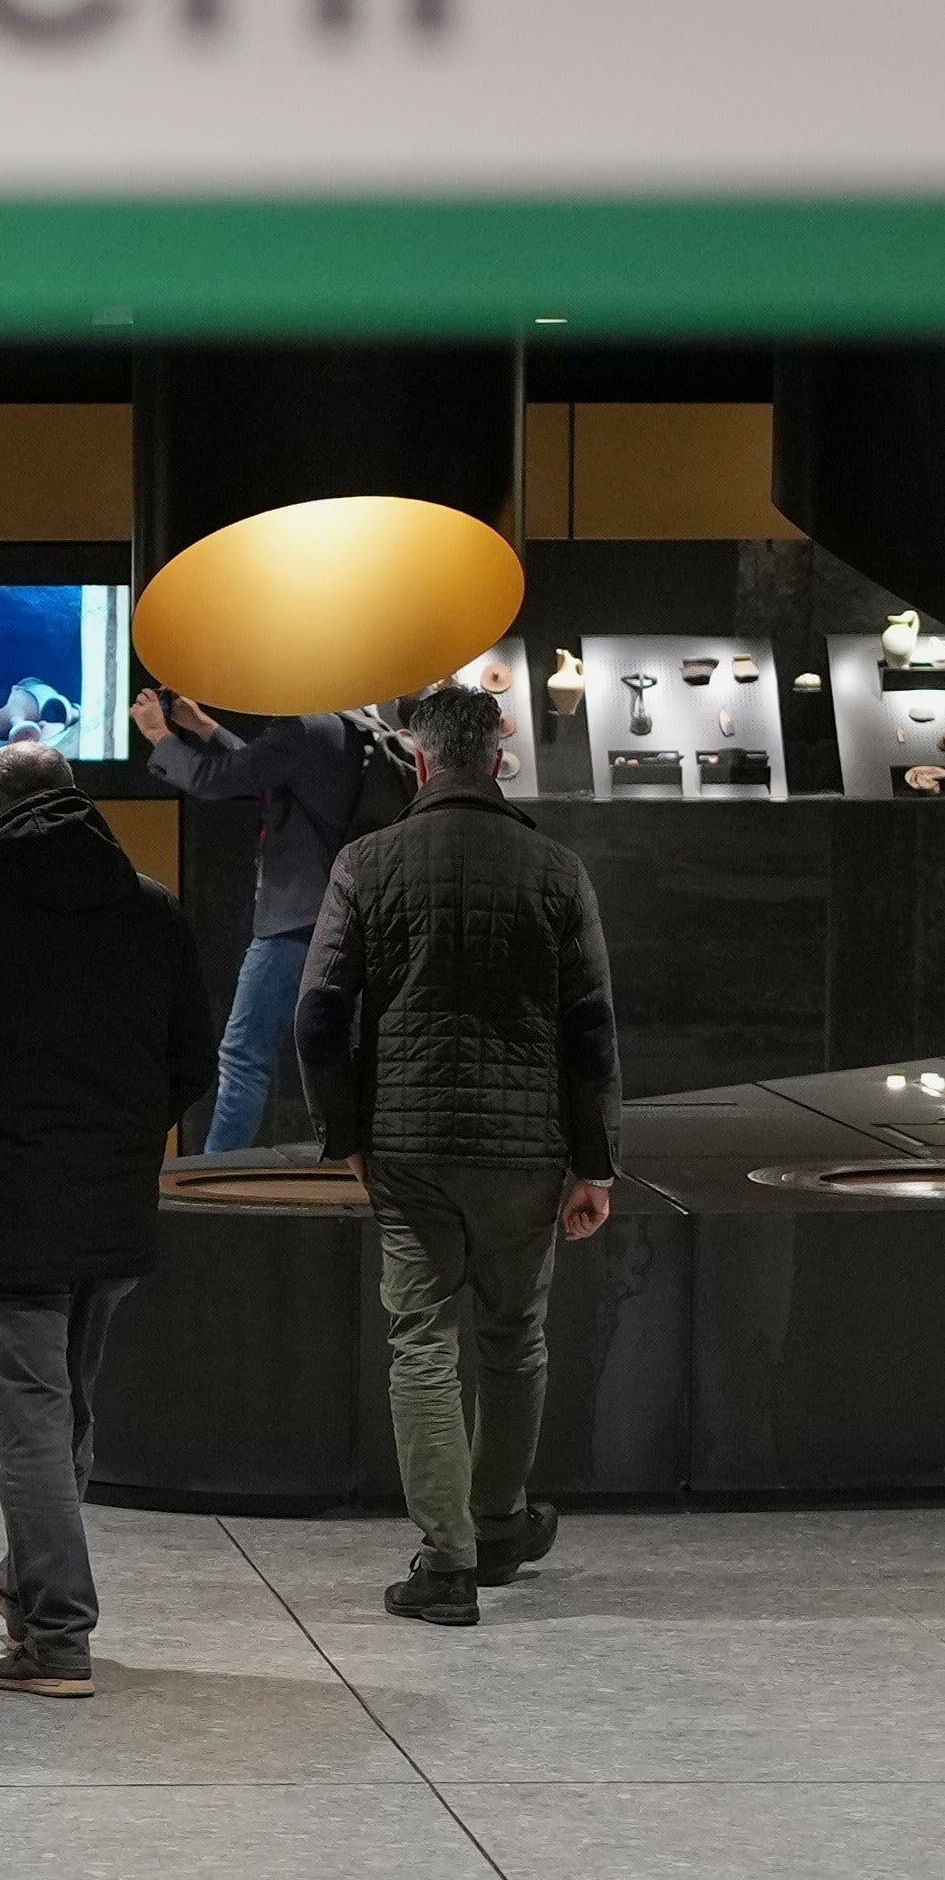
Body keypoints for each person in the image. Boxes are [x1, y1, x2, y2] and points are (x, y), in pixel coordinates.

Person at [0, 739, 214, 1699]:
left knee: (29, 1421)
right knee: (70, 1412)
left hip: (3, 1205)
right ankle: (28, 1594)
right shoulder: (152, 908)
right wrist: (128, 1140)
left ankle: (57, 1636)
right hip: (111, 1201)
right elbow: (194, 1060)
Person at [297, 687, 621, 1629]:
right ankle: (501, 1525)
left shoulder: (366, 863)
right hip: (528, 1149)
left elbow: (319, 1015)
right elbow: (592, 1029)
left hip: (410, 1146)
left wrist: (344, 1133)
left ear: (421, 760)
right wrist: (595, 1163)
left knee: (421, 1342)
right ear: (498, 759)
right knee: (514, 1339)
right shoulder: (557, 869)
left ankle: (446, 1566)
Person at [137, 680, 386, 1157]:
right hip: (339, 912)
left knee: (244, 1055)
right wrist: (203, 727)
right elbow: (262, 770)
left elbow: (215, 779)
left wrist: (158, 734)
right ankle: (357, 1161)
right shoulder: (346, 722)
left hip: (295, 919)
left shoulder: (304, 729)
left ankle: (216, 1173)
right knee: (341, 1051)